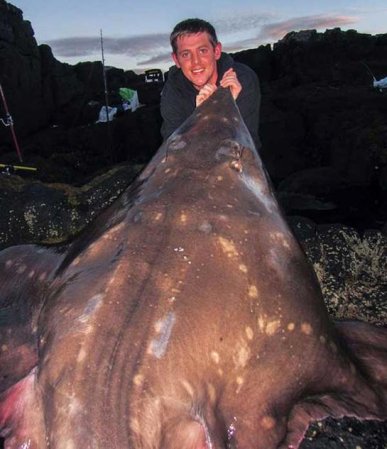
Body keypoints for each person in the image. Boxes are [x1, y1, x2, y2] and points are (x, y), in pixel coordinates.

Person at [160, 18, 261, 148]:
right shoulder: (173, 91)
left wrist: (227, 107)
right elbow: (171, 150)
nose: (196, 62)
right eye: (185, 54)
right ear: (176, 60)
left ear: (217, 51)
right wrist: (201, 117)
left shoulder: (242, 79)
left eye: (202, 51)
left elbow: (246, 148)